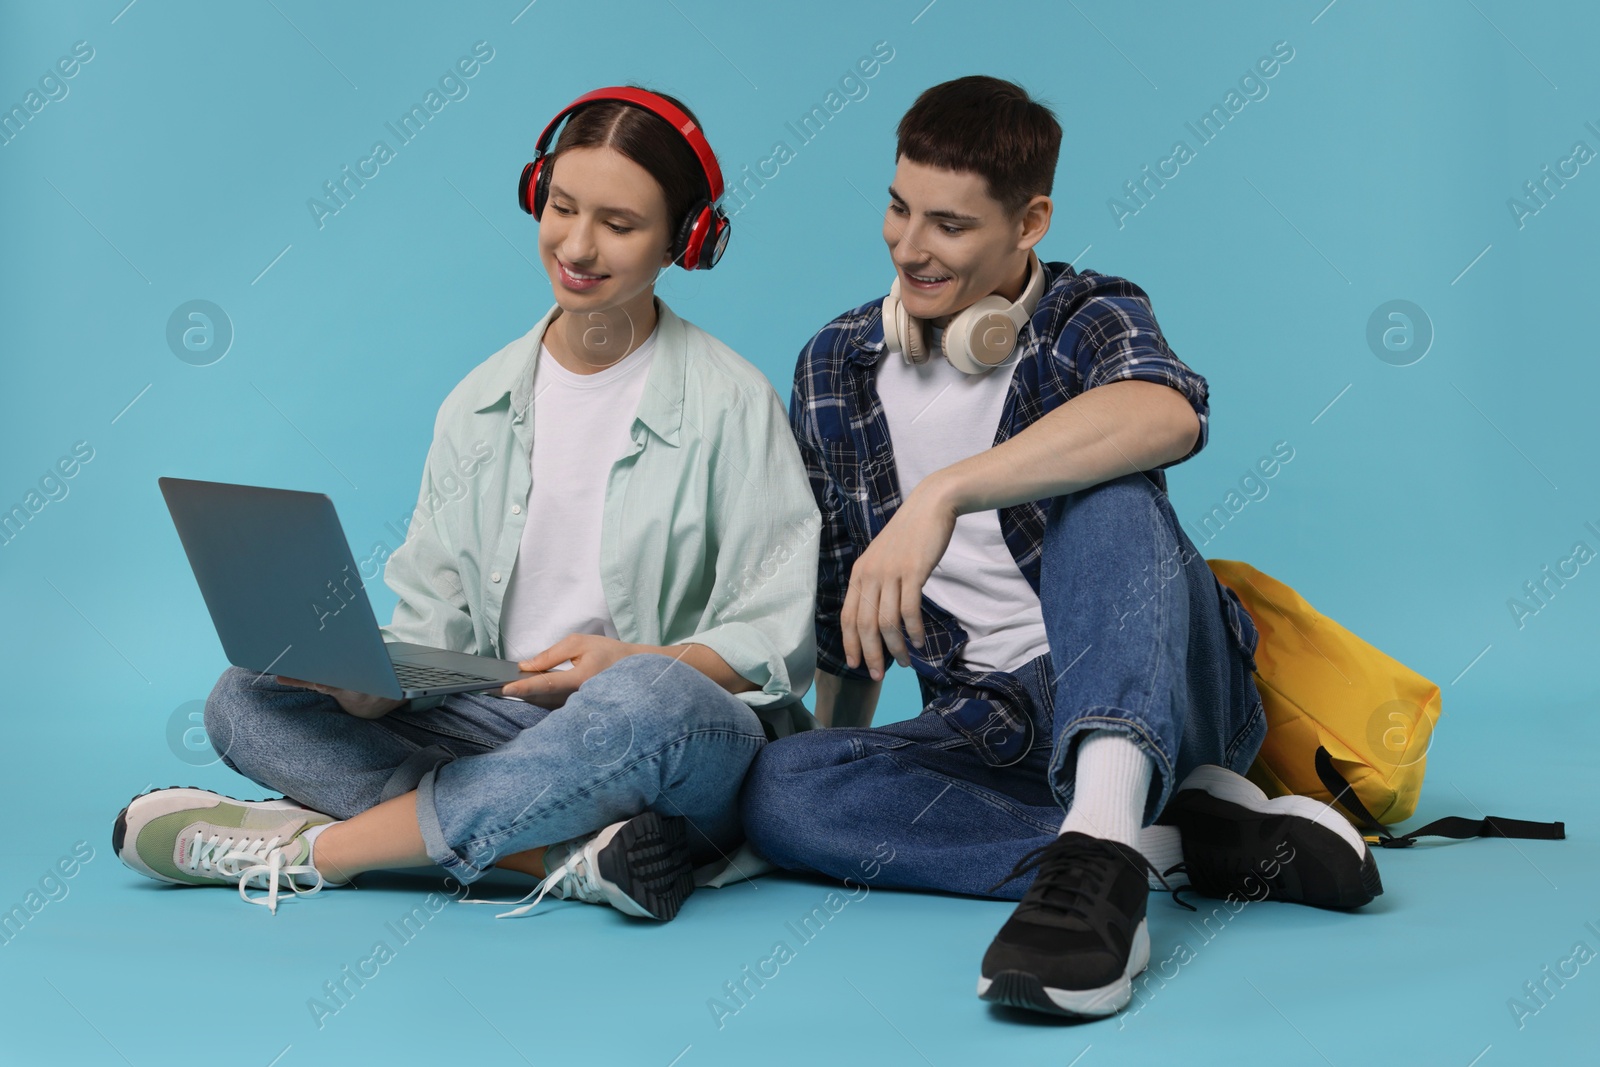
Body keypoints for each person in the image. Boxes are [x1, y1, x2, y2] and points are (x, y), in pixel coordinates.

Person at [739, 76, 1380, 1019]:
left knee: (1108, 493)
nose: (910, 247)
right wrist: (844, 767)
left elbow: (1165, 412)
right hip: (993, 727)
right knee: (784, 790)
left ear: (1030, 220)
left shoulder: (1090, 317)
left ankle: (1099, 882)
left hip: (1167, 687)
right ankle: (1154, 838)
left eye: (949, 225)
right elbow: (853, 609)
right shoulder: (835, 362)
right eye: (898, 207)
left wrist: (946, 492)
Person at [114, 86, 819, 922]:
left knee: (645, 699)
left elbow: (773, 642)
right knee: (244, 697)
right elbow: (439, 624)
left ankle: (324, 848)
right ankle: (557, 854)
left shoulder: (732, 401)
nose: (579, 246)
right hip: (505, 724)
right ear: (536, 194)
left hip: (665, 743)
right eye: (561, 207)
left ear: (685, 240)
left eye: (620, 225)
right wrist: (377, 687)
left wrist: (630, 659)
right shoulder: (477, 402)